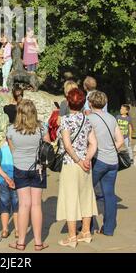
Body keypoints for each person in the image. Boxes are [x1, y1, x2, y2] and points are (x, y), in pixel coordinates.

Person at [56, 88, 98, 248]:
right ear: (82, 103)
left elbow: (67, 145)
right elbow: (94, 143)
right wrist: (87, 159)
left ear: (68, 102)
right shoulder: (87, 120)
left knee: (71, 197)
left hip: (71, 163)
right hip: (86, 165)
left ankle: (72, 236)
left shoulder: (66, 120)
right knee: (86, 196)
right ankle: (86, 232)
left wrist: (79, 160)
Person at [7, 99, 50, 251]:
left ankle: (21, 242)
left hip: (20, 167)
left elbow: (12, 150)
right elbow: (47, 146)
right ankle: (38, 242)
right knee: (37, 205)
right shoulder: (42, 128)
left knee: (24, 205)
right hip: (38, 168)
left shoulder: (11, 130)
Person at [88, 91, 124, 236]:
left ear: (90, 103)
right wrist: (110, 149)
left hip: (98, 160)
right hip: (112, 161)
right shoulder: (111, 118)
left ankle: (87, 227)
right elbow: (120, 141)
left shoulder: (89, 119)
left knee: (87, 193)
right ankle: (109, 228)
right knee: (109, 194)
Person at [0, 138, 18, 239]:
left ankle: (5, 230)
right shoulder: (18, 151)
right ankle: (17, 230)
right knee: (17, 206)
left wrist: (6, 178)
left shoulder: (1, 150)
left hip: (3, 180)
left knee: (4, 204)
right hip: (16, 180)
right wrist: (12, 180)